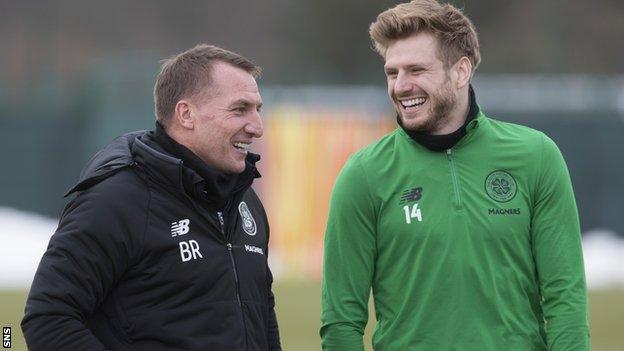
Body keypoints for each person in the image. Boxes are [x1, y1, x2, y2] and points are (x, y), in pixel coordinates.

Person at [320, 1, 589, 350]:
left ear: (461, 71)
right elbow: (341, 321)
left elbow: (565, 297)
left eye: (416, 70)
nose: (401, 86)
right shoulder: (363, 174)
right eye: (392, 72)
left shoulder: (536, 156)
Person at [22, 44, 281, 351]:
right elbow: (47, 318)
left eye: (258, 109)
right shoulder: (116, 200)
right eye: (240, 109)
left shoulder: (245, 202)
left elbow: (263, 316)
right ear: (186, 114)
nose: (257, 127)